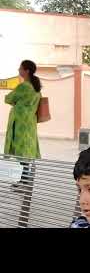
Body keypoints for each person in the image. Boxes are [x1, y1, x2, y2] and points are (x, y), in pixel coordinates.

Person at [4, 60, 42, 190]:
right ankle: (25, 180)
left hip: (20, 124)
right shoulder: (36, 87)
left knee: (21, 153)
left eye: (20, 68)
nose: (18, 70)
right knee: (26, 151)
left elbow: (8, 98)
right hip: (30, 123)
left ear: (27, 71)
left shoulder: (24, 86)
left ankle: (24, 181)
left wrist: (16, 103)